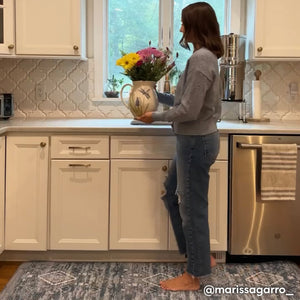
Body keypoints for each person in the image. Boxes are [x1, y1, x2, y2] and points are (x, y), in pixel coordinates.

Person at [136, 2, 224, 291]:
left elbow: (189, 111)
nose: (181, 28)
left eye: (184, 23)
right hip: (193, 142)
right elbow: (186, 102)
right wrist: (155, 94)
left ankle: (193, 276)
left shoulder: (201, 60)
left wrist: (155, 118)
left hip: (195, 143)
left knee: (193, 209)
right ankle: (199, 257)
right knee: (170, 195)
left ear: (196, 26)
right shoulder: (202, 57)